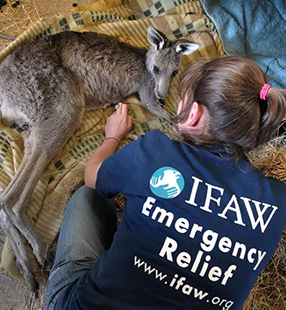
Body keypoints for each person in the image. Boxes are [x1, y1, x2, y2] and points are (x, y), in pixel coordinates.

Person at [45, 56, 286, 310]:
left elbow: (92, 176)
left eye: (182, 97)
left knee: (87, 195)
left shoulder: (154, 152)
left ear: (193, 115)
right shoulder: (276, 202)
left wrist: (112, 138)